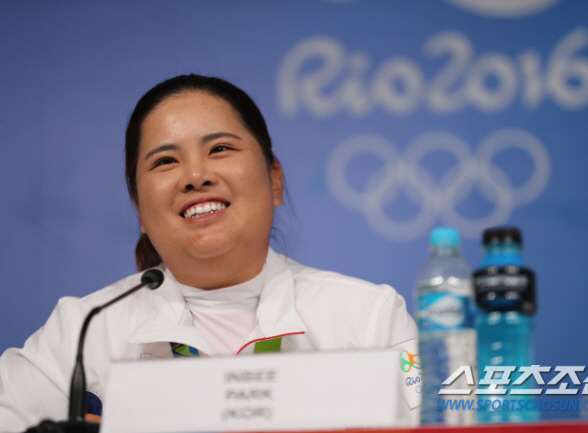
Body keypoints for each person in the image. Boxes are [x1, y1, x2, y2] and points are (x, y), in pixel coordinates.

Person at [0, 74, 418, 431]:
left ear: (275, 180)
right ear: (139, 208)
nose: (196, 176)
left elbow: (457, 417)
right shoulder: (83, 331)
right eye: (165, 160)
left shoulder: (368, 318)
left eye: (219, 149)